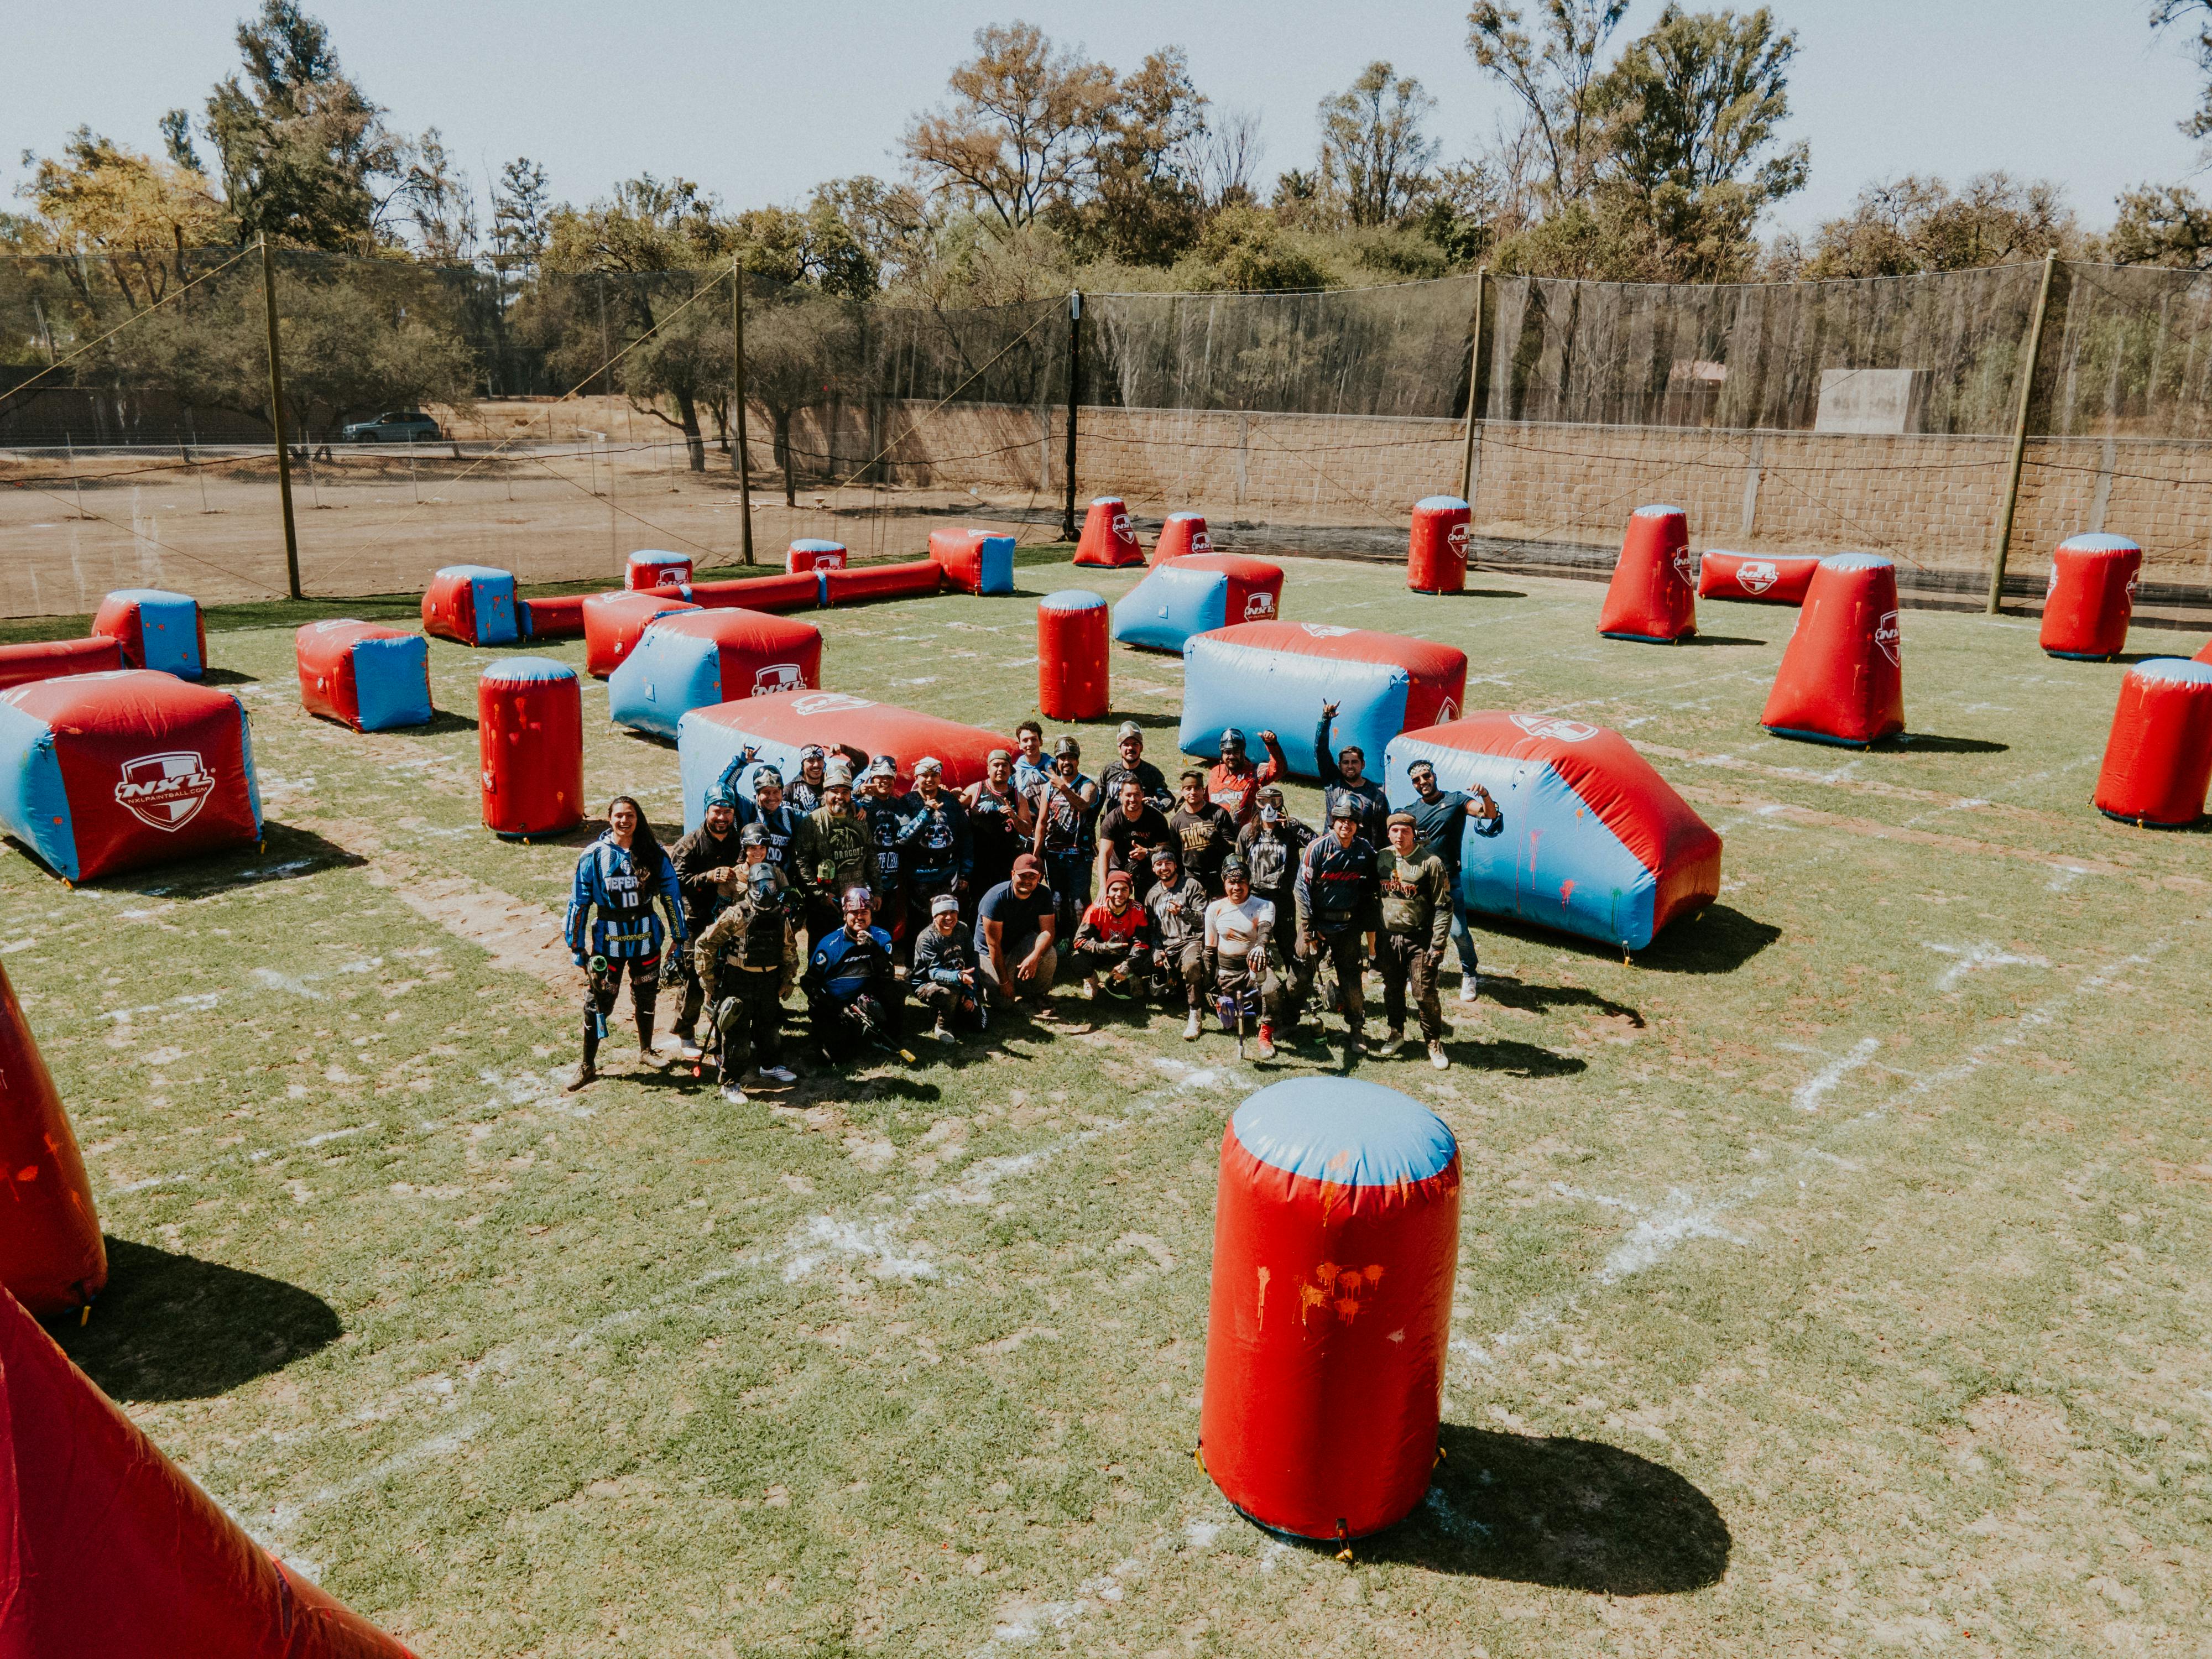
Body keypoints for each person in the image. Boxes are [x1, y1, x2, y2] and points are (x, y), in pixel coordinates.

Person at [564, 795, 687, 1091]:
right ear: (610, 819)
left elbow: (671, 896)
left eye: (630, 815)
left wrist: (679, 937)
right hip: (608, 943)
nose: (624, 821)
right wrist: (577, 946)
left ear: (638, 818)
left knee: (647, 995)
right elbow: (578, 903)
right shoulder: (593, 856)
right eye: (619, 815)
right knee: (598, 1002)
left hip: (647, 939)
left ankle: (646, 1051)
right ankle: (587, 1065)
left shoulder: (655, 853)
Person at [692, 831, 800, 1102]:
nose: (765, 892)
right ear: (749, 885)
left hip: (769, 980)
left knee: (769, 1028)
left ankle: (769, 1065)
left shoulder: (779, 915)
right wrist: (708, 980)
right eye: (760, 885)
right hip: (738, 979)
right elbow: (705, 944)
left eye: (770, 886)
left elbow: (789, 949)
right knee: (737, 1036)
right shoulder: (737, 913)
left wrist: (788, 979)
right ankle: (730, 1082)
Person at [1405, 757, 1503, 1004]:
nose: (1422, 782)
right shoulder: (1410, 812)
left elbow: (1488, 815)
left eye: (1426, 776)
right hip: (1422, 884)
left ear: (1434, 776)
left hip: (1450, 882)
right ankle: (1422, 972)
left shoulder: (1456, 800)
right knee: (1421, 932)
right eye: (1416, 780)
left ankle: (1470, 973)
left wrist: (1486, 795)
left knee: (1458, 933)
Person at [668, 785, 748, 1058]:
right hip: (696, 920)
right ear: (706, 812)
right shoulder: (688, 844)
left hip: (728, 920)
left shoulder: (738, 840)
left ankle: (724, 1032)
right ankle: (686, 1031)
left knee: (728, 976)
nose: (722, 817)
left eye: (728, 811)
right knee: (693, 976)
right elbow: (673, 882)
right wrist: (708, 877)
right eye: (717, 811)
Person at [1295, 804, 1379, 1060]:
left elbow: (1375, 883)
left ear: (1357, 825)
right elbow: (1302, 888)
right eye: (1341, 820)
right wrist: (1309, 927)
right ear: (1333, 822)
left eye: (1351, 821)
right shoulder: (1317, 848)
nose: (1346, 825)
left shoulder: (1364, 849)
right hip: (1316, 925)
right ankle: (1285, 1021)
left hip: (1348, 928)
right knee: (1298, 975)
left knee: (1352, 981)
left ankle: (1356, 1029)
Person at [1375, 812, 1453, 1070]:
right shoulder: (1382, 858)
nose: (1400, 836)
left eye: (1405, 831)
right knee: (1392, 988)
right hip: (1388, 938)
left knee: (1424, 993)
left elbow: (1444, 906)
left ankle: (1433, 1043)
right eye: (1395, 831)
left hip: (1419, 938)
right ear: (1389, 833)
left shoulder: (1430, 862)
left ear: (1413, 833)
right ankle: (1396, 1033)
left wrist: (1438, 944)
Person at [1237, 784, 1316, 1036]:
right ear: (1256, 805)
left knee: (1289, 950)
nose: (1269, 808)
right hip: (1256, 898)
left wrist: (1296, 826)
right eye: (1263, 802)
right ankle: (1254, 1000)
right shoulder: (1248, 832)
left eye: (1275, 801)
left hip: (1282, 899)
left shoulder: (1289, 832)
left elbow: (1316, 845)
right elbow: (1238, 865)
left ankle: (1292, 1006)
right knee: (1252, 948)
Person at [803, 886, 903, 1055]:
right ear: (845, 915)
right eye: (854, 912)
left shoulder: (882, 937)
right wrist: (837, 1008)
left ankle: (885, 1035)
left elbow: (888, 975)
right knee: (836, 1055)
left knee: (895, 990)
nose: (859, 917)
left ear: (872, 914)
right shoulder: (830, 944)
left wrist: (876, 952)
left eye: (864, 912)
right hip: (832, 1001)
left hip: (861, 995)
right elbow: (808, 983)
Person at [793, 758, 879, 951]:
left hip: (857, 901)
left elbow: (871, 855)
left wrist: (878, 891)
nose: (840, 797)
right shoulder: (813, 822)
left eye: (845, 792)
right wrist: (820, 894)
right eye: (834, 791)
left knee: (854, 949)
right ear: (825, 793)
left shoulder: (860, 819)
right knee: (822, 948)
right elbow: (801, 862)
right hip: (825, 903)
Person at [1205, 857, 1277, 1060]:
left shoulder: (1264, 906)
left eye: (1242, 882)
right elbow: (1210, 949)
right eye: (1231, 882)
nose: (1237, 887)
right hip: (1227, 972)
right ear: (1224, 883)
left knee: (1272, 988)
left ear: (1249, 882)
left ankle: (1265, 1035)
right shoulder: (1215, 909)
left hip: (1255, 967)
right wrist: (1209, 984)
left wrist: (1261, 946)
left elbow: (1265, 929)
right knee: (1230, 1019)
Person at [1031, 735, 1099, 945]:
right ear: (1057, 761)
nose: (1067, 762)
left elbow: (1083, 805)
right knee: (1057, 901)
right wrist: (1036, 855)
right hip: (1054, 854)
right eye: (1062, 758)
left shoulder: (1088, 785)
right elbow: (1041, 822)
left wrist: (1063, 787)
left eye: (1071, 757)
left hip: (1080, 855)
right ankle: (1061, 939)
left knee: (1079, 902)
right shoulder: (1048, 788)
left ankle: (1083, 940)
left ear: (1078, 760)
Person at [1145, 843, 1211, 1040]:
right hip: (1167, 947)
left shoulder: (1191, 886)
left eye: (1168, 863)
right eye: (1159, 864)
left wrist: (1183, 912)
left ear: (1175, 866)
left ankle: (1195, 1014)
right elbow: (1152, 930)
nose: (1164, 868)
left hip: (1191, 942)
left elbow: (1205, 919)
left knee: (1192, 965)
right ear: (1154, 869)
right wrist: (1157, 950)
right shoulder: (1152, 895)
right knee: (1153, 983)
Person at [977, 853, 1060, 1010]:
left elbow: (1048, 931)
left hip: (1019, 941)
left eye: (1032, 876)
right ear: (1013, 875)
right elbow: (993, 944)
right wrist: (1004, 982)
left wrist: (1035, 957)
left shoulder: (1044, 894)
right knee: (1003, 1004)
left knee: (1049, 953)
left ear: (1040, 877)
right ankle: (988, 982)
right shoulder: (996, 898)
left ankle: (1038, 994)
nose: (1027, 881)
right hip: (990, 951)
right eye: (1023, 875)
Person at [898, 757, 971, 928]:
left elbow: (965, 837)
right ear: (917, 778)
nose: (929, 779)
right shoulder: (908, 802)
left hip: (947, 874)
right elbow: (903, 839)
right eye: (924, 775)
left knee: (945, 922)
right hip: (918, 875)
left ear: (940, 778)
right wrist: (927, 812)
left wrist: (965, 872)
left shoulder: (950, 801)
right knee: (918, 925)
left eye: (934, 775)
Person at [910, 893, 987, 1044]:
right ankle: (944, 1026)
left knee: (979, 1026)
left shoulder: (963, 929)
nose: (949, 918)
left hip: (961, 979)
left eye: (953, 912)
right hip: (927, 984)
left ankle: (958, 1004)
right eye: (943, 913)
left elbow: (972, 959)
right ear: (934, 916)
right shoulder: (926, 938)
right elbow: (934, 972)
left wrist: (969, 993)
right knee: (947, 993)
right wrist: (959, 977)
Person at [1314, 703, 1391, 847]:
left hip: (1364, 856)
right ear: (1339, 765)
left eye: (1354, 762)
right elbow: (1321, 751)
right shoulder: (1333, 784)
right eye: (1346, 762)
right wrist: (1325, 720)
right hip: (1333, 850)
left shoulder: (1377, 794)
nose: (1350, 766)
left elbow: (1383, 830)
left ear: (1363, 765)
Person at [963, 748, 1035, 899]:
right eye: (996, 765)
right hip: (979, 862)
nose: (1001, 769)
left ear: (1010, 770)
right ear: (988, 769)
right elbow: (953, 812)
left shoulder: (1018, 797)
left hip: (1007, 862)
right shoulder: (975, 790)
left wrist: (1014, 817)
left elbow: (1028, 831)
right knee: (977, 904)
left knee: (1005, 903)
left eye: (1005, 765)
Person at [1071, 868, 1153, 1000]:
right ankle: (1091, 979)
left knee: (1149, 960)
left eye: (1124, 889)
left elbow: (1142, 943)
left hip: (1126, 954)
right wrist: (1103, 947)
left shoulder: (1137, 910)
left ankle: (1134, 977)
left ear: (1130, 892)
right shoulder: (1096, 910)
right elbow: (1079, 940)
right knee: (1078, 961)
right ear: (1108, 892)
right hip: (1102, 952)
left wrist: (1128, 965)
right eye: (1114, 890)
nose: (1119, 894)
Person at [860, 755, 913, 945]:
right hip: (865, 882)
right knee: (864, 933)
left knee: (885, 934)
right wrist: (857, 796)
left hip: (890, 883)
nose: (884, 782)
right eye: (879, 778)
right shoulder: (861, 805)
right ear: (872, 779)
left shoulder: (898, 805)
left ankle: (885, 971)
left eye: (889, 778)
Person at [1097, 776, 1176, 904]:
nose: (1133, 799)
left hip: (1148, 867)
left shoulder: (1156, 818)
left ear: (1143, 795)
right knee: (1115, 901)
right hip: (1118, 867)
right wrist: (1102, 887)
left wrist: (1148, 852)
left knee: (1151, 905)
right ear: (1121, 796)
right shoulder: (1111, 820)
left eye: (1137, 795)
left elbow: (1167, 850)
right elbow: (1104, 855)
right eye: (1128, 795)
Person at [1168, 766, 1238, 895]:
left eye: (1197, 788)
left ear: (1203, 790)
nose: (1193, 792)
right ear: (1183, 792)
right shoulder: (1177, 821)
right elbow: (1176, 855)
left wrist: (1219, 841)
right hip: (1191, 878)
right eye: (1188, 789)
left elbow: (1234, 849)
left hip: (1217, 877)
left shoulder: (1218, 814)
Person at [1207, 726, 1287, 828]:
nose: (1231, 756)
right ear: (1222, 754)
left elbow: (1280, 769)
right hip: (1217, 834)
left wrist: (1272, 745)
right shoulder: (1215, 773)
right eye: (1227, 752)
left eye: (1236, 752)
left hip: (1245, 835)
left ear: (1243, 752)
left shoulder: (1255, 771)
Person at [1099, 721, 1172, 813]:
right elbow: (1097, 801)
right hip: (1113, 826)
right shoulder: (1109, 771)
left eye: (1135, 744)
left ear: (1141, 748)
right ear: (1119, 749)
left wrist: (1157, 806)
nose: (1130, 748)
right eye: (1126, 744)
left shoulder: (1152, 773)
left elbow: (1167, 799)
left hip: (1141, 827)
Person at [785, 745, 830, 814]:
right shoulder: (790, 790)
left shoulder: (831, 784)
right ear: (803, 765)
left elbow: (851, 768)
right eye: (811, 761)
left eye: (820, 760)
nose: (816, 765)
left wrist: (844, 749)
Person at [1011, 720, 1051, 794]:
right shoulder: (1014, 771)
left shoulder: (1054, 765)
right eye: (1025, 740)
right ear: (1020, 745)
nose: (1030, 744)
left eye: (1034, 739)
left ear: (1041, 742)